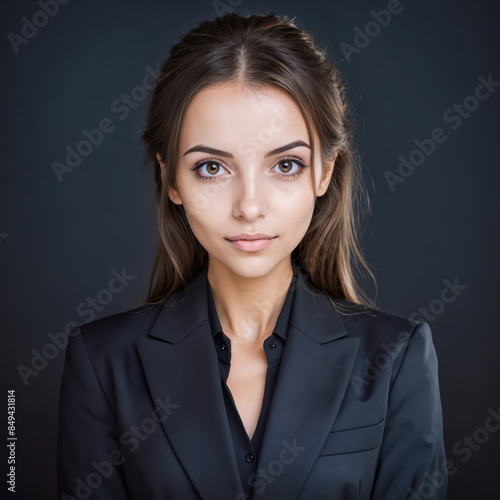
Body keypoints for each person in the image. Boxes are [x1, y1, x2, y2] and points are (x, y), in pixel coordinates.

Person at [57, 12, 447, 500]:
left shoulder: (396, 360)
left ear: (325, 172)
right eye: (212, 167)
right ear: (170, 178)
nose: (249, 207)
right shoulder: (102, 363)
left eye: (285, 165)